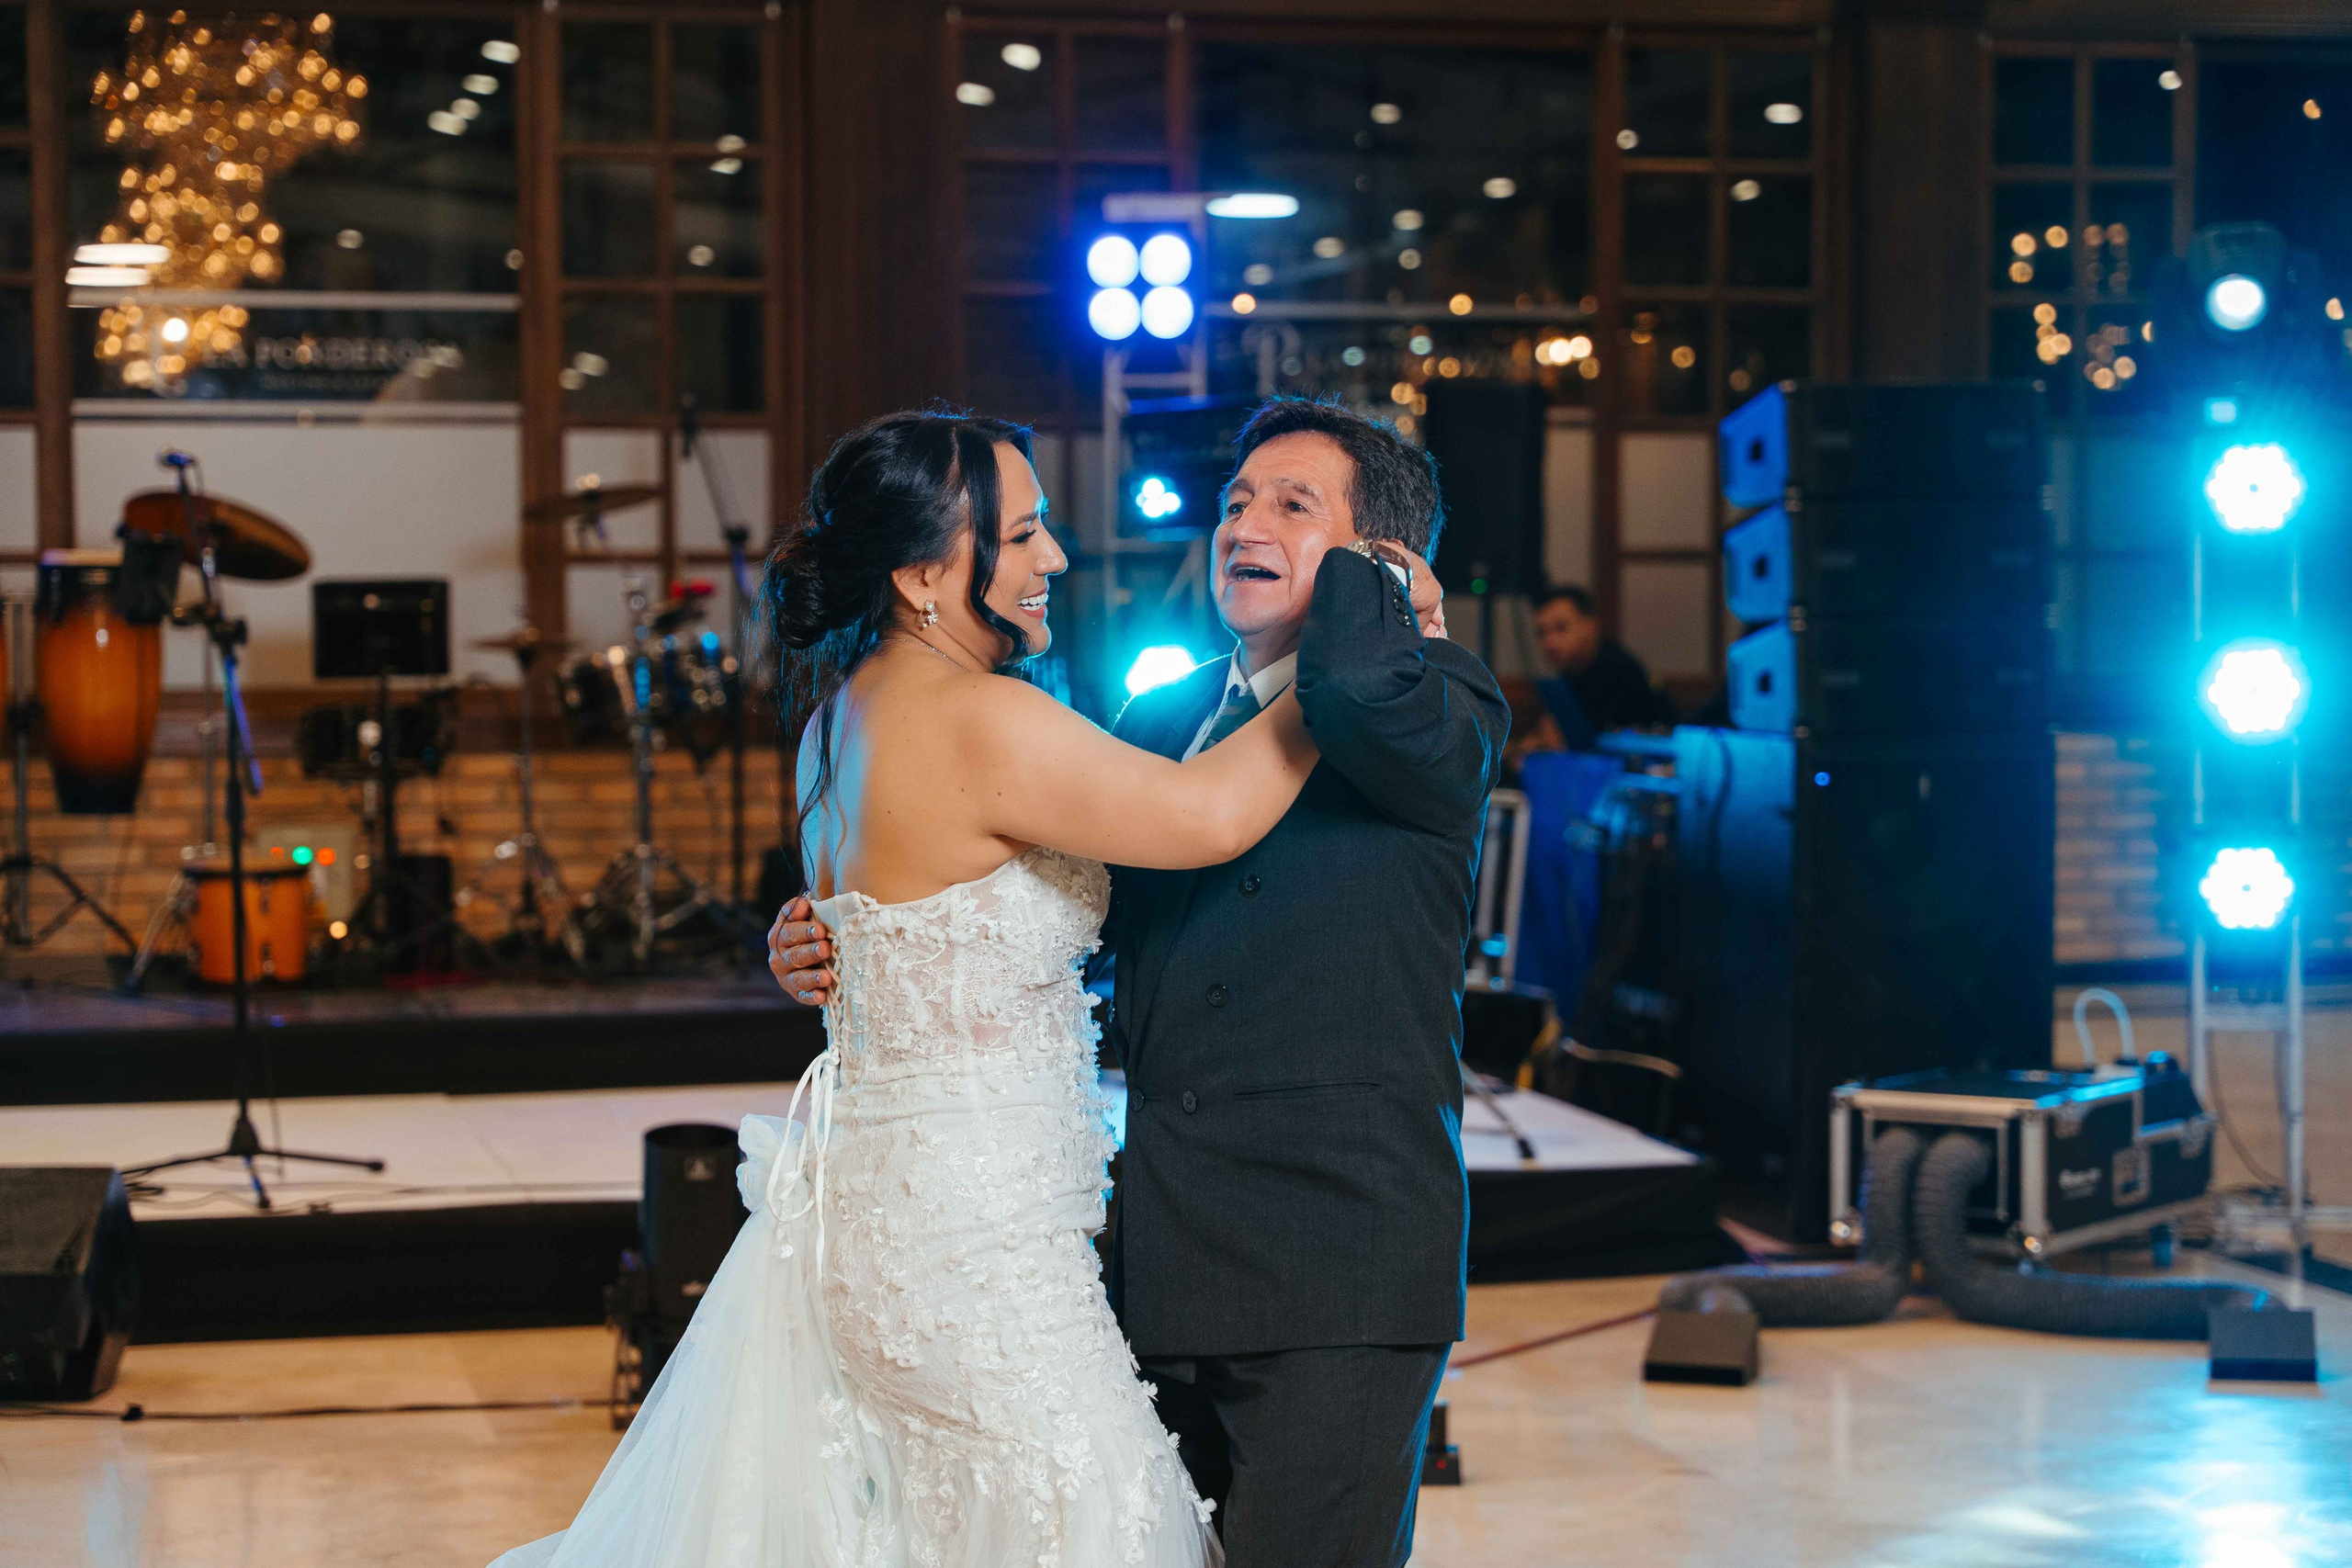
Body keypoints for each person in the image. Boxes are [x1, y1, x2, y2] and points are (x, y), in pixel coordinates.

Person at [491, 409, 1403, 1567]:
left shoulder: (837, 722)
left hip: (885, 1228)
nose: (1053, 563)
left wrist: (805, 943)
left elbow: (893, 922)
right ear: (926, 571)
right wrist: (1344, 660)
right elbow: (1208, 817)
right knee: (1088, 1522)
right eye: (1023, 537)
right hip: (976, 1251)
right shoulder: (982, 717)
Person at [775, 397, 1510, 1567]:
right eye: (1234, 500)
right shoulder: (1156, 718)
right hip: (1151, 1260)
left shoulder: (1432, 695)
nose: (1241, 522)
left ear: (1382, 554)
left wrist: (1383, 605)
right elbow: (1045, 913)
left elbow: (1361, 695)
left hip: (1337, 1264)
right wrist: (849, 934)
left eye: (1291, 504)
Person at [1507, 582, 1679, 768]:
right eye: (1541, 634)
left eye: (1561, 628)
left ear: (1591, 625)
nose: (1549, 643)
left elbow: (1598, 747)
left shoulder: (1619, 670)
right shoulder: (1568, 677)